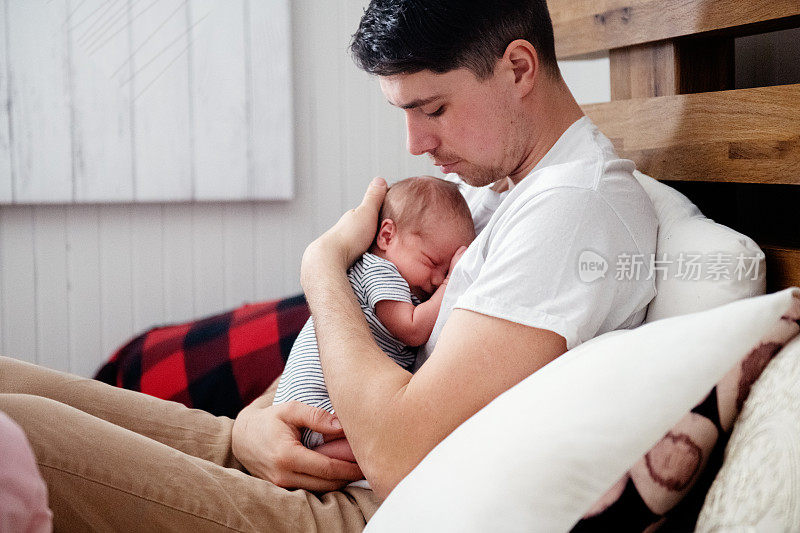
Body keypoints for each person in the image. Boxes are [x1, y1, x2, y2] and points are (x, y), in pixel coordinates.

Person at [0, 0, 660, 530]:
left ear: (518, 69)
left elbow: (400, 454)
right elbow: (350, 350)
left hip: (362, 506)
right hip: (306, 456)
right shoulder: (497, 192)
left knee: (13, 436)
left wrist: (321, 265)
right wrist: (255, 423)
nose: (415, 142)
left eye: (432, 108)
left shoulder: (575, 210)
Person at [273, 176, 475, 460]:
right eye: (431, 263)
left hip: (320, 406)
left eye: (444, 271)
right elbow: (412, 328)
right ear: (387, 236)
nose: (435, 278)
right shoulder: (379, 271)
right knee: (378, 451)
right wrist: (450, 283)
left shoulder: (401, 276)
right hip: (320, 405)